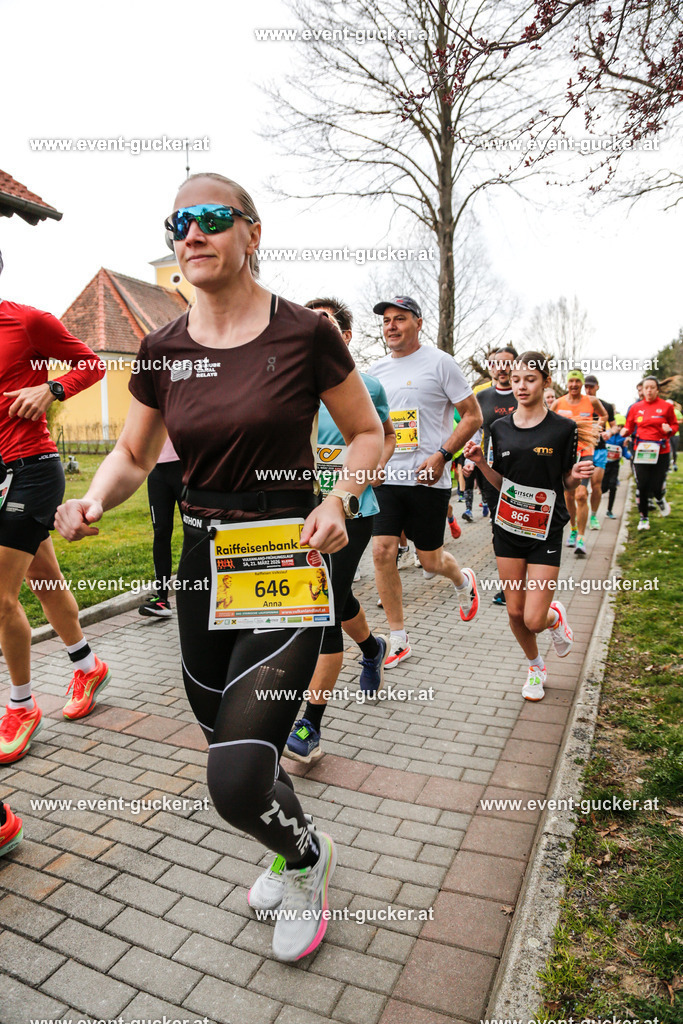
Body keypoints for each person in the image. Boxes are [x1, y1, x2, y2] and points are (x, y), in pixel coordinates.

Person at [56, 173, 384, 964]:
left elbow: (368, 434)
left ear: (251, 232)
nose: (190, 234)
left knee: (234, 779)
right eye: (177, 222)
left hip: (285, 557)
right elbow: (134, 453)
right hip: (204, 565)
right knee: (236, 751)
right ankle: (290, 841)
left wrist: (339, 498)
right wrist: (98, 496)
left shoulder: (304, 333)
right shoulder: (163, 347)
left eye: (209, 219)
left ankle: (308, 862)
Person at [0, 269, 110, 766]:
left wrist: (52, 389)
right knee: (44, 580)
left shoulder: (26, 322)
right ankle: (87, 665)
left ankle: (21, 706)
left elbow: (92, 364)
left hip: (33, 470)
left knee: (0, 598)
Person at [284, 297, 395, 764]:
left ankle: (310, 724)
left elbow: (384, 435)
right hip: (294, 509)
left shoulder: (366, 386)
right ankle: (372, 647)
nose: (313, 329)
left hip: (351, 509)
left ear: (344, 337)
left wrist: (372, 469)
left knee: (322, 608)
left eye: (324, 323)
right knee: (336, 595)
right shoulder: (285, 384)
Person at [464, 351, 593, 701]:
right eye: (517, 379)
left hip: (545, 530)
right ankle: (535, 666)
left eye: (530, 379)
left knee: (535, 618)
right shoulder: (498, 427)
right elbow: (501, 481)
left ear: (546, 382)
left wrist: (574, 476)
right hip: (507, 528)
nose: (521, 386)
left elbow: (564, 483)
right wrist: (479, 464)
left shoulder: (563, 428)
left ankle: (554, 619)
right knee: (516, 612)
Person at [369, 296, 482, 668]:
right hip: (387, 478)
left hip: (427, 479)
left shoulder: (441, 362)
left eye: (399, 319)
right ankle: (398, 638)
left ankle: (462, 578)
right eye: (386, 320)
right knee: (383, 551)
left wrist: (442, 455)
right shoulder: (375, 371)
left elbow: (472, 416)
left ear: (418, 322)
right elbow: (370, 425)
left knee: (430, 561)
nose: (391, 326)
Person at [474, 346, 519, 606]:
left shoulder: (526, 394)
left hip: (523, 472)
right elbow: (474, 428)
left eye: (507, 363)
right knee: (499, 525)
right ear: (490, 367)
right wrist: (471, 459)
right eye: (496, 364)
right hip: (491, 471)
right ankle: (507, 585)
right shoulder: (481, 397)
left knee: (522, 525)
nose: (501, 368)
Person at [551, 370, 605, 558]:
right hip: (565, 454)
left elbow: (603, 416)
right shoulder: (558, 402)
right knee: (569, 494)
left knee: (581, 495)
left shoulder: (592, 401)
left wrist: (598, 428)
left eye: (577, 381)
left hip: (585, 452)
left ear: (582, 384)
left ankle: (581, 538)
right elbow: (548, 421)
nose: (574, 384)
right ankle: (573, 528)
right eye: (571, 381)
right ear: (567, 383)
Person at [621, 375, 677, 530]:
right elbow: (629, 426)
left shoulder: (666, 406)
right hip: (641, 452)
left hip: (661, 451)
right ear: (642, 390)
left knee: (657, 484)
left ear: (657, 389)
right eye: (646, 388)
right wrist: (625, 432)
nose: (649, 390)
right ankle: (643, 518)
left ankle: (659, 498)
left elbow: (674, 425)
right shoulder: (635, 408)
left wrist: (670, 430)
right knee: (643, 485)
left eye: (652, 387)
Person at [138, 436, 183, 617]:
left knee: (195, 530)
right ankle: (162, 600)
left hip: (185, 465)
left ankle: (202, 594)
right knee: (161, 532)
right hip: (156, 468)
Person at [583, 374, 616, 531]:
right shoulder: (578, 404)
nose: (588, 389)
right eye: (586, 386)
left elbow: (615, 426)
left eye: (591, 386)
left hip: (599, 450)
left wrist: (610, 432)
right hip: (582, 450)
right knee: (580, 491)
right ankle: (578, 515)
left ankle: (594, 516)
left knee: (596, 485)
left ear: (597, 387)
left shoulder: (606, 406)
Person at [602, 431, 631, 519]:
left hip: (614, 466)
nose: (619, 428)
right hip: (604, 465)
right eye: (618, 425)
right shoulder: (606, 436)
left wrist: (631, 457)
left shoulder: (622, 438)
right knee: (603, 488)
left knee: (613, 486)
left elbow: (625, 453)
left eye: (621, 426)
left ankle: (609, 510)